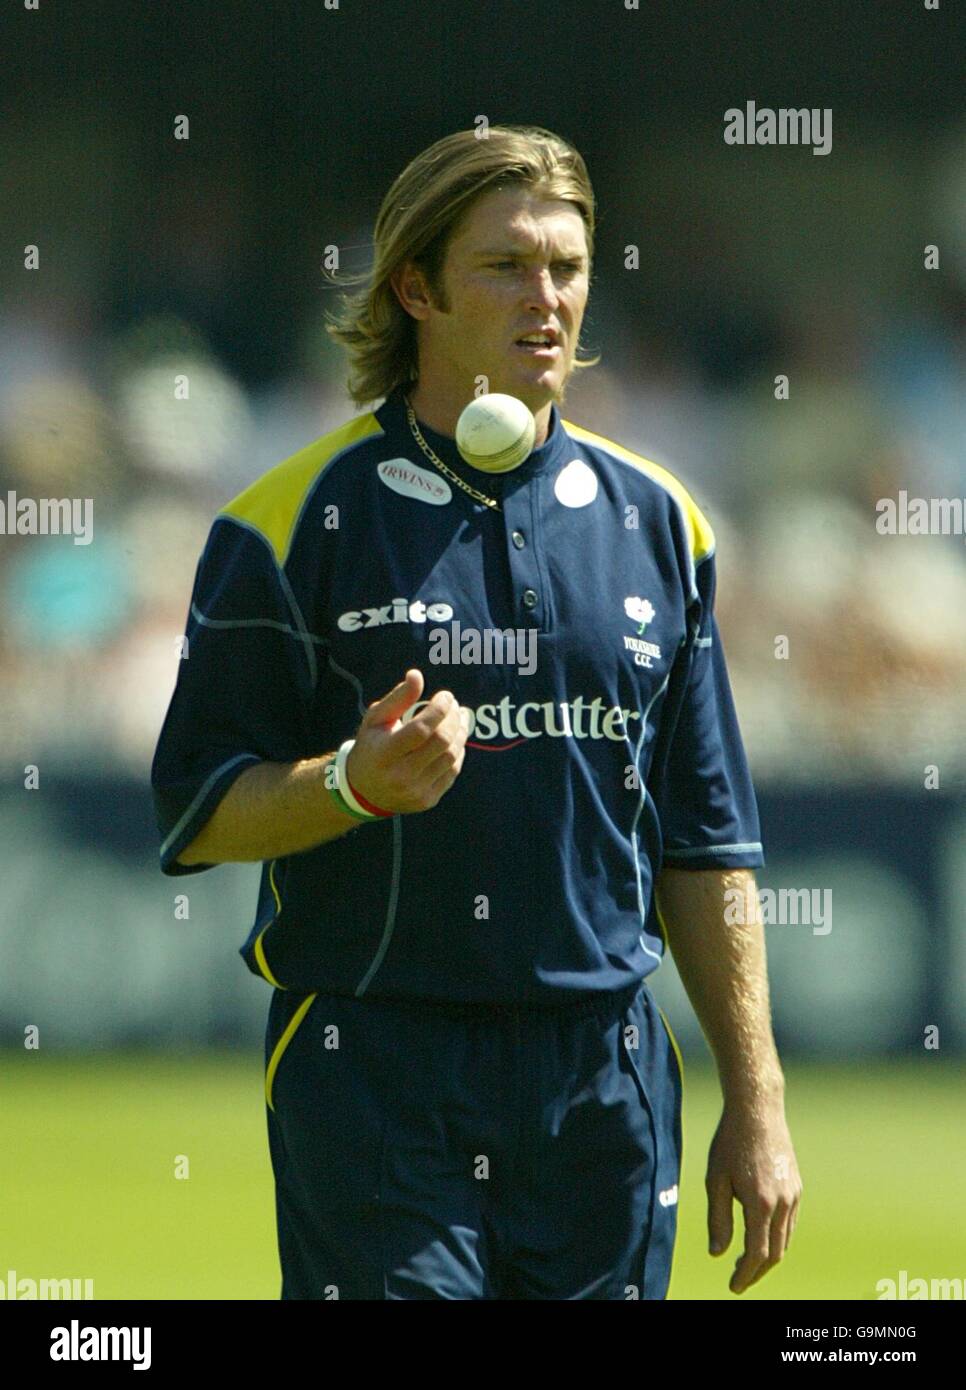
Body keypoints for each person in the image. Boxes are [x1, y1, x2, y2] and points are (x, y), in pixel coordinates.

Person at [150, 124, 801, 1300]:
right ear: (416, 288)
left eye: (568, 265)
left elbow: (705, 844)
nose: (546, 298)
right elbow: (197, 811)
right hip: (372, 1067)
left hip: (603, 1079)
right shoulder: (286, 522)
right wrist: (352, 783)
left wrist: (758, 1103)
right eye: (505, 265)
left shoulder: (664, 523)